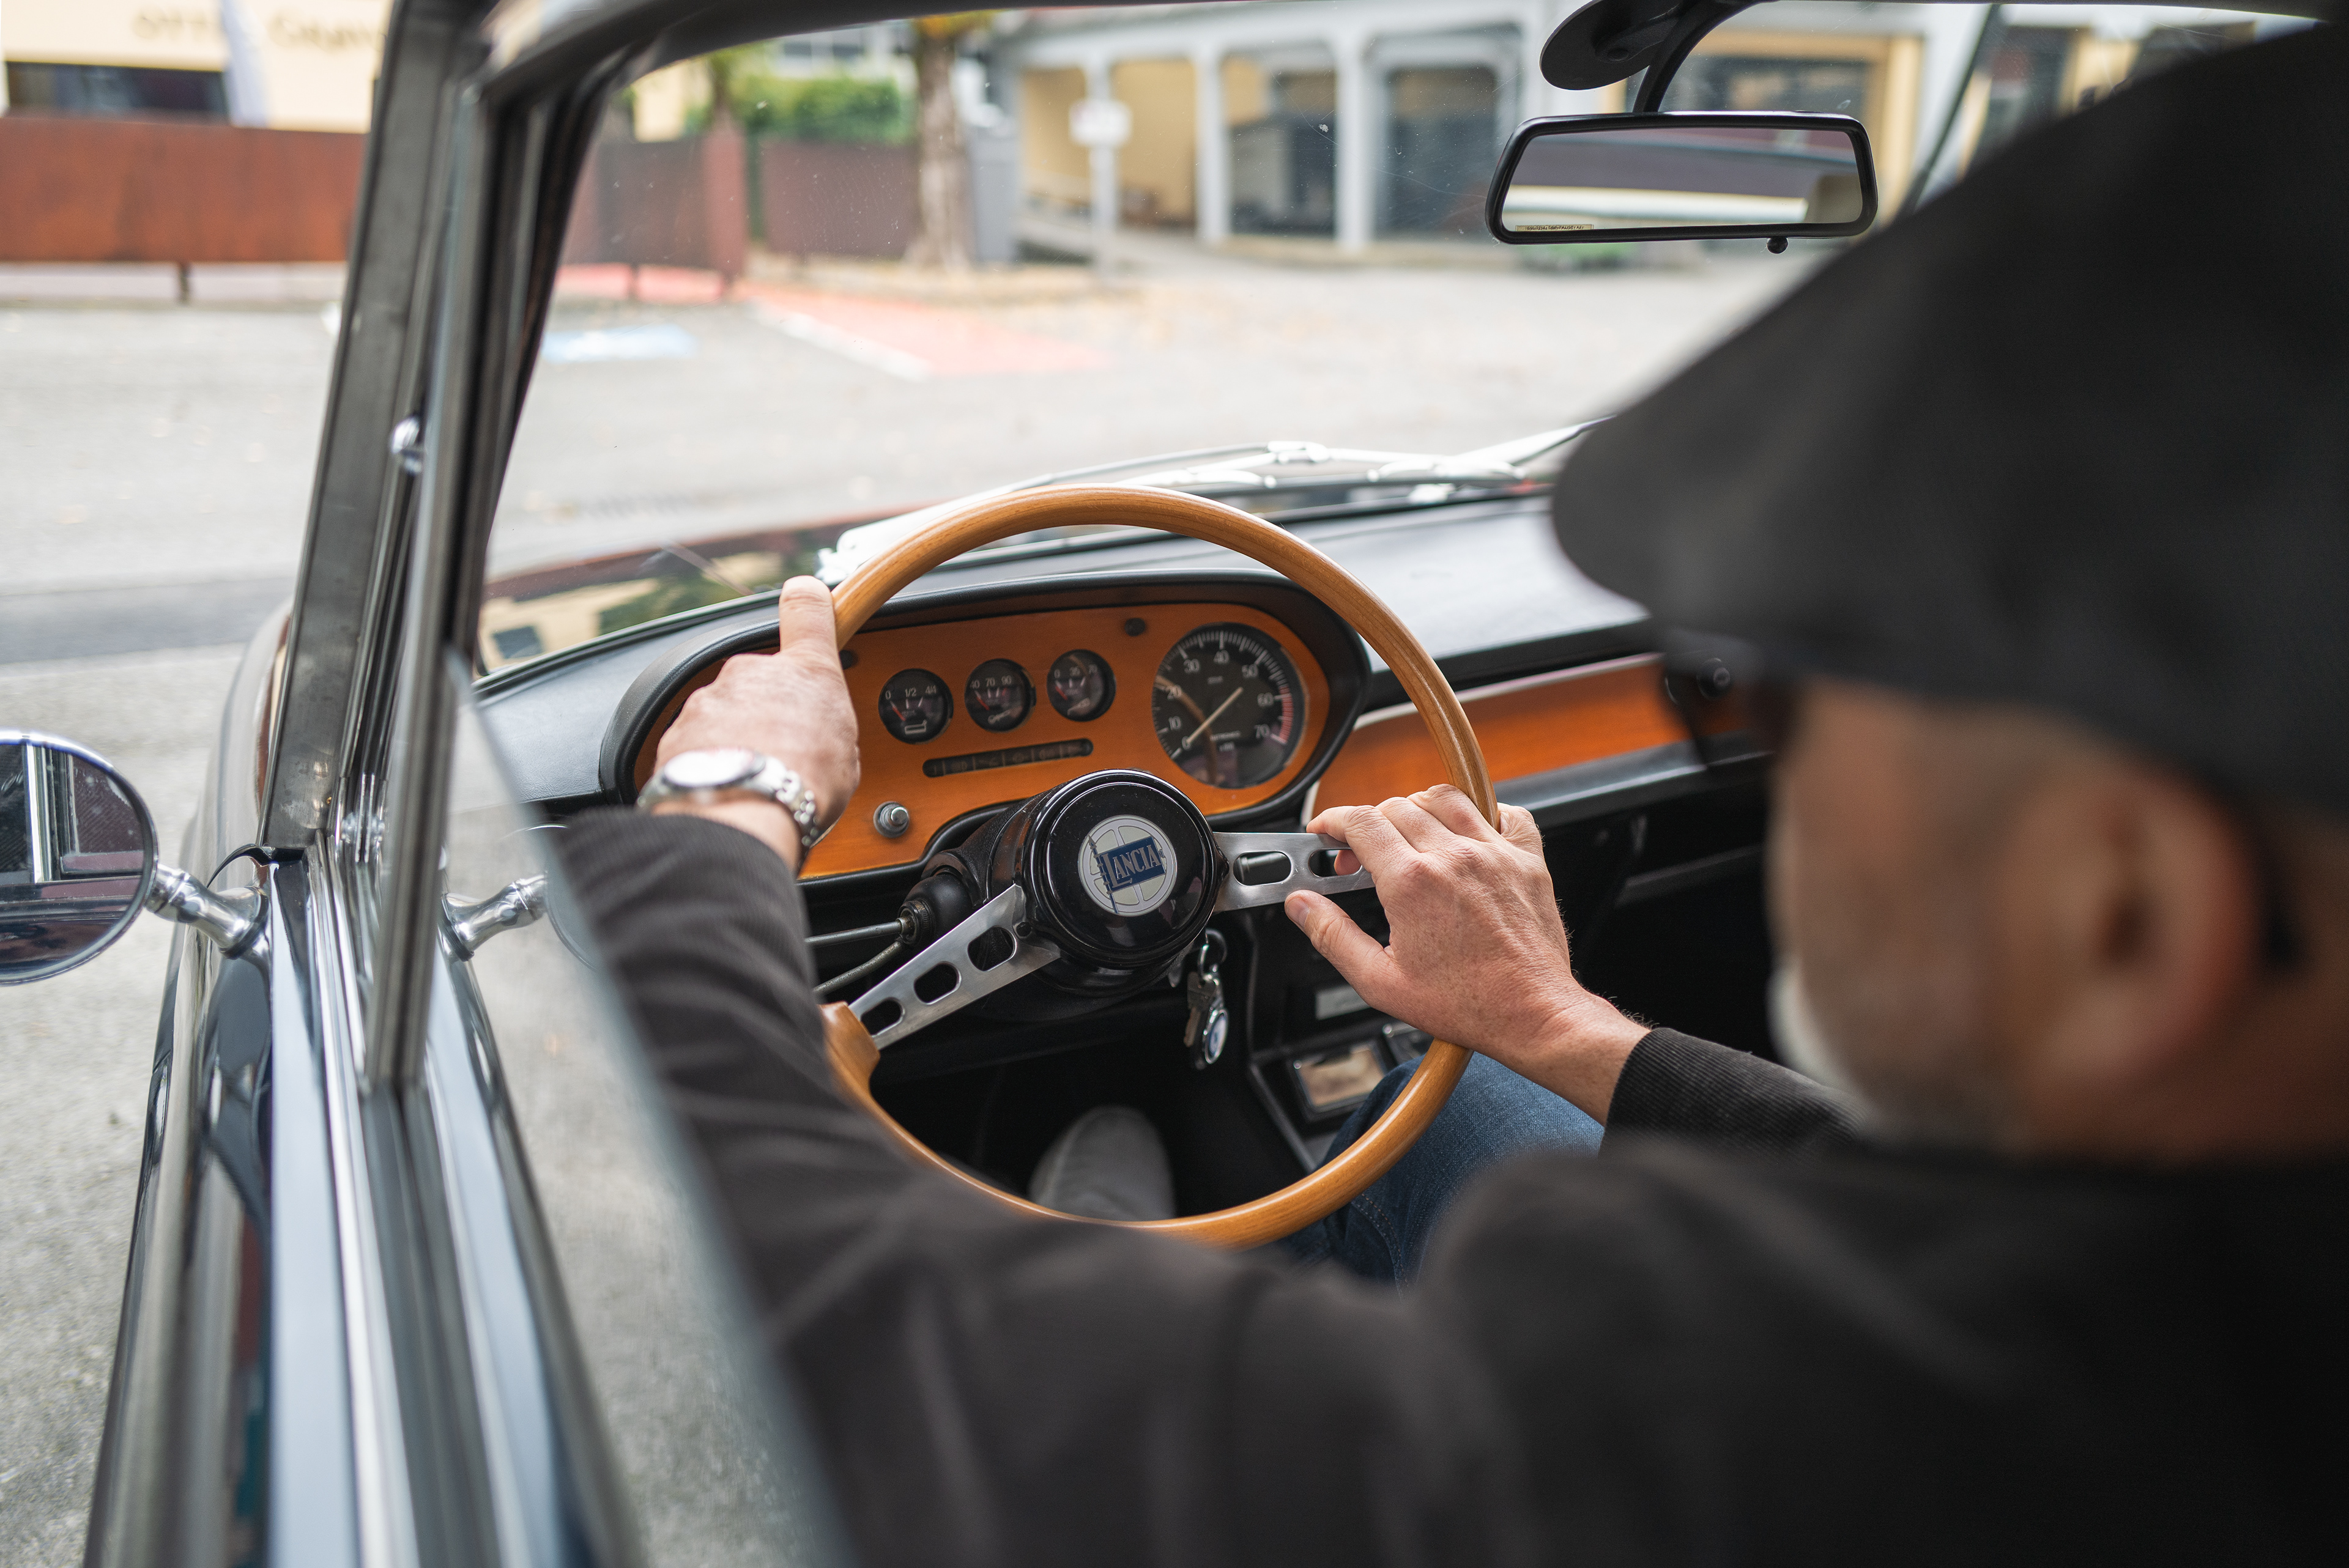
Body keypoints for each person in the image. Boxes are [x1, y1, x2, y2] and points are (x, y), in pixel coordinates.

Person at [558, 25, 2349, 1567]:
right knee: (1430, 1115)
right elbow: (1867, 1167)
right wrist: (1561, 1023)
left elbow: (794, 1311)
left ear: (2126, 908)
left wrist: (730, 800)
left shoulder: (1758, 1429)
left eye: (1809, 697)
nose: (1771, 744)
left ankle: (1097, 1218)